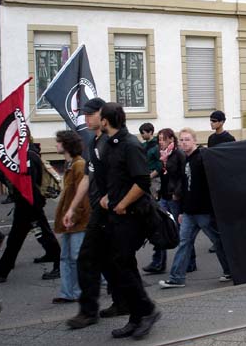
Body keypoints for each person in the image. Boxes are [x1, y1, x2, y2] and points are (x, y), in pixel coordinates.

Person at [64, 98, 128, 330]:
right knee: (108, 260)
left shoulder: (114, 141)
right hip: (98, 211)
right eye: (86, 114)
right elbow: (87, 178)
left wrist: (114, 198)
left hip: (111, 212)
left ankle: (88, 311)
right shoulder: (92, 142)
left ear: (103, 115)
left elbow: (125, 176)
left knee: (88, 258)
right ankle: (123, 302)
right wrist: (72, 207)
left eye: (91, 114)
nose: (87, 118)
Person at [98, 103, 160, 339]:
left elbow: (142, 182)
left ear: (106, 121)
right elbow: (117, 179)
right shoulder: (111, 144)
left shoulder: (130, 145)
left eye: (99, 118)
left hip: (132, 215)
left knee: (121, 263)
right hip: (116, 214)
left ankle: (148, 310)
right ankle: (137, 316)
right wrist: (108, 197)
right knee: (122, 265)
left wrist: (122, 203)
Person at [159, 128, 232, 289]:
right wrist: (183, 211)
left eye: (187, 139)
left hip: (204, 211)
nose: (184, 142)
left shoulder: (202, 157)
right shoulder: (186, 159)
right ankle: (176, 278)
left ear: (195, 141)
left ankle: (231, 270)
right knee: (184, 242)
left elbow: (211, 183)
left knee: (218, 241)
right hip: (190, 212)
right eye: (182, 140)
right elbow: (186, 187)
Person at [0, 133, 61, 283]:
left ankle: (4, 269)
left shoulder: (29, 156)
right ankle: (53, 256)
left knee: (21, 236)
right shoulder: (23, 155)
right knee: (28, 234)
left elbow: (30, 183)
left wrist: (31, 203)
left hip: (30, 203)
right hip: (26, 202)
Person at [52, 130, 91, 304]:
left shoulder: (78, 165)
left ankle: (78, 291)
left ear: (67, 145)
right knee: (66, 257)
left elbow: (83, 195)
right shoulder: (70, 165)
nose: (56, 144)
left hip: (78, 220)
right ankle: (68, 292)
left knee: (77, 257)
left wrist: (75, 214)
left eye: (59, 142)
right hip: (70, 219)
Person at [143, 128, 185, 274]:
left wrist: (177, 193)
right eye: (159, 139)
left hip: (174, 197)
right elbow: (161, 170)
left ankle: (188, 263)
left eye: (162, 139)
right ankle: (158, 263)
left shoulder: (178, 154)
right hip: (164, 197)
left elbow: (182, 176)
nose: (160, 142)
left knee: (181, 232)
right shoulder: (164, 156)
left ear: (171, 140)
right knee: (159, 228)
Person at [139, 123, 161, 200]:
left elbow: (160, 163)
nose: (141, 135)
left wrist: (151, 175)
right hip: (145, 175)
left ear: (150, 132)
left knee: (154, 199)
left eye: (143, 133)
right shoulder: (143, 145)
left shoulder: (157, 146)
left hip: (154, 177)